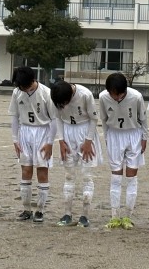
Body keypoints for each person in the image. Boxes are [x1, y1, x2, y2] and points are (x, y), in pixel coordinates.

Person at [98, 72, 147, 230]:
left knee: (131, 178)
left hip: (133, 135)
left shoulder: (136, 97)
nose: (117, 98)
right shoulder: (103, 97)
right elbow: (104, 120)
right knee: (116, 178)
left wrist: (144, 138)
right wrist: (107, 138)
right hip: (114, 135)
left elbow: (143, 119)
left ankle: (128, 216)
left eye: (120, 95)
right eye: (114, 95)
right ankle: (114, 216)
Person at [50, 80, 102, 227]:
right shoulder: (56, 96)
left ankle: (85, 216)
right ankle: (67, 214)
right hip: (67, 132)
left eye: (65, 103)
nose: (63, 106)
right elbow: (58, 118)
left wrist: (88, 141)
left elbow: (94, 119)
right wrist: (61, 140)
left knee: (87, 176)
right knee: (69, 176)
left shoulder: (85, 94)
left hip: (85, 130)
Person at [8, 66, 57, 223]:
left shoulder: (46, 93)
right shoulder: (17, 93)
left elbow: (54, 120)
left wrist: (50, 143)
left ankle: (40, 210)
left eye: (24, 85)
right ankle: (26, 209)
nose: (22, 88)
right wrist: (15, 140)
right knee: (26, 170)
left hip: (42, 132)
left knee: (42, 171)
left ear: (32, 80)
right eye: (20, 86)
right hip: (25, 132)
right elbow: (14, 116)